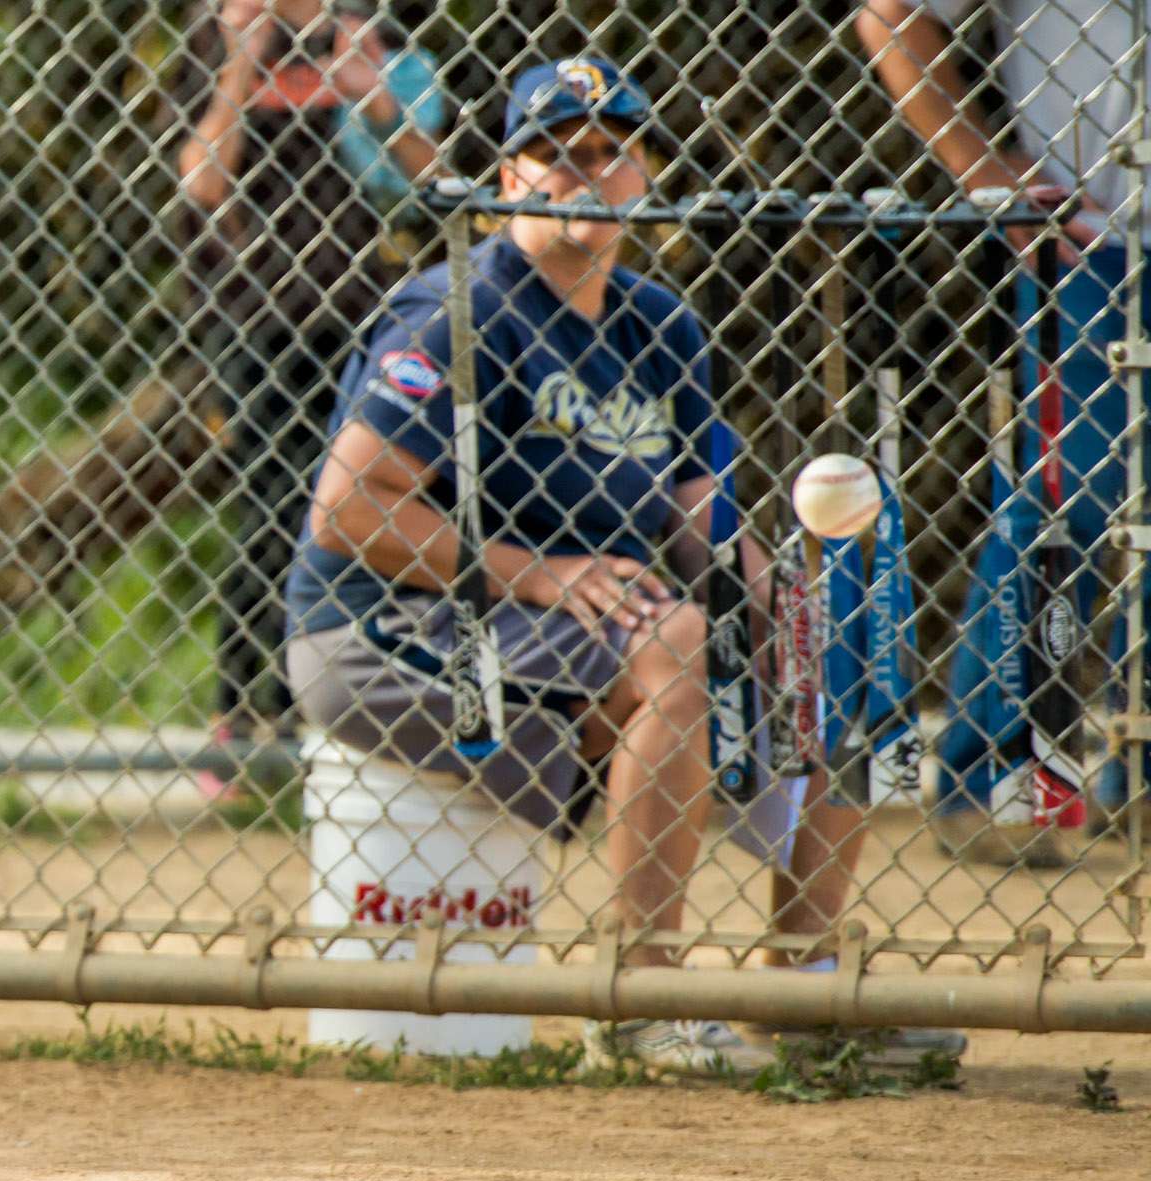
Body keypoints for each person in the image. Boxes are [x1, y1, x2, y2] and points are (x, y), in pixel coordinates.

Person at [284, 60, 962, 1073]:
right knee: (672, 645)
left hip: (555, 638)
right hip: (388, 629)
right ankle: (642, 996)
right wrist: (540, 574)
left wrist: (780, 601)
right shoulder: (458, 313)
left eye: (611, 150)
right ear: (509, 176)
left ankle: (806, 984)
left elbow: (698, 521)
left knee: (836, 639)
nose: (585, 171)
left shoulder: (659, 324)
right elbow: (347, 512)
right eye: (556, 150)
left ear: (643, 175)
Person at [857, 0, 1138, 822]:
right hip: (1091, 239)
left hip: (1091, 237)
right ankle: (997, 781)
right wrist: (982, 168)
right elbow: (891, 15)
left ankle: (1138, 782)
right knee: (1067, 502)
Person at [176, 0, 447, 796]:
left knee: (352, 504)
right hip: (249, 307)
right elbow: (203, 178)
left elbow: (430, 176)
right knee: (266, 501)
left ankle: (318, 708)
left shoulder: (372, 43)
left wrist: (373, 96)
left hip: (355, 306)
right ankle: (241, 715)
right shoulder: (215, 36)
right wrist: (241, 61)